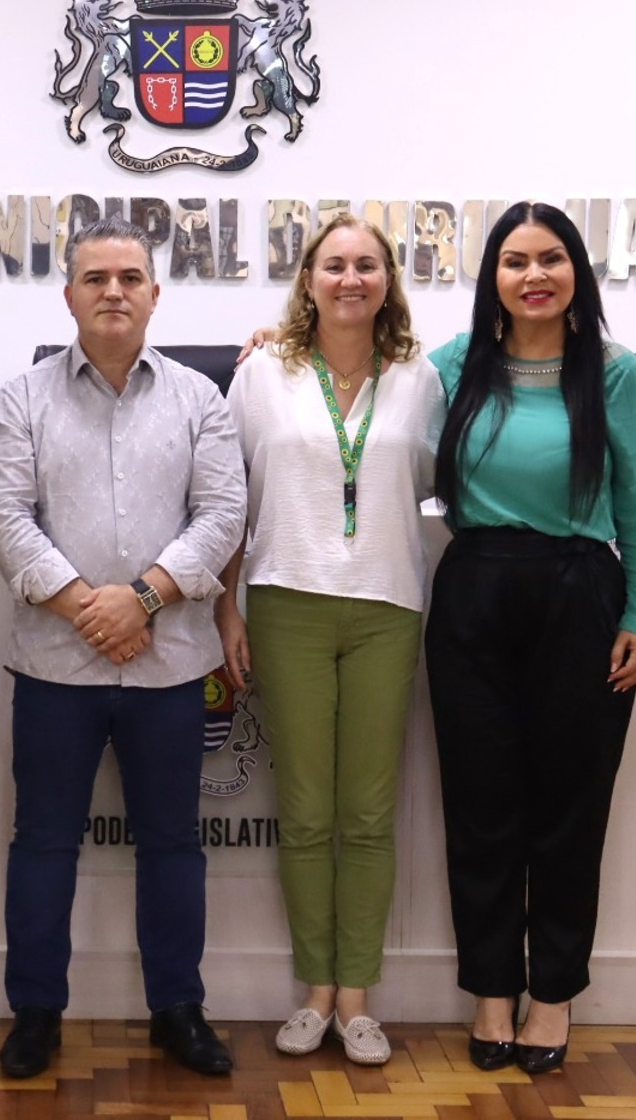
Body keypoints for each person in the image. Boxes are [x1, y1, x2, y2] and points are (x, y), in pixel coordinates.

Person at [0, 217, 246, 1078]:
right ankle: (36, 1012)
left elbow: (223, 515)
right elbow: (3, 515)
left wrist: (142, 599)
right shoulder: (21, 398)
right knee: (44, 842)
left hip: (170, 665)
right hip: (54, 665)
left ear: (155, 293)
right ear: (69, 295)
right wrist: (88, 607)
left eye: (130, 277)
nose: (114, 292)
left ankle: (178, 1008)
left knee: (172, 843)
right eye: (96, 278)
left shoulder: (200, 400)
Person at [426, 201, 636, 1075]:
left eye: (551, 258)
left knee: (570, 811)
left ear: (576, 273)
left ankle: (554, 993)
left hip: (579, 594)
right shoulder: (452, 366)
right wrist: (279, 343)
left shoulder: (613, 372)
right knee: (480, 807)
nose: (534, 275)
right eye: (515, 260)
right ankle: (492, 988)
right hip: (474, 591)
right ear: (492, 276)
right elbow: (359, 391)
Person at [215, 212, 444, 1065]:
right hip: (287, 600)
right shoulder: (261, 372)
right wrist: (227, 607)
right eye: (335, 264)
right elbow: (229, 495)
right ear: (308, 279)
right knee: (307, 812)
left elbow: (431, 478)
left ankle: (358, 999)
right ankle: (315, 990)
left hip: (387, 603)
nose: (351, 279)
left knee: (370, 814)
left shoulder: (421, 375)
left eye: (367, 265)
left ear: (388, 281)